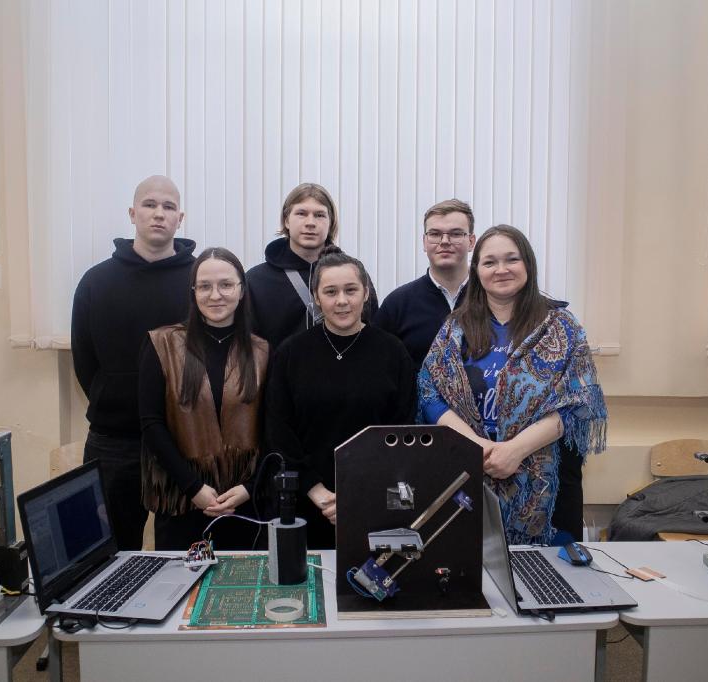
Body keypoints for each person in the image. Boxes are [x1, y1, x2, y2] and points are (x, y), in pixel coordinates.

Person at [417, 225, 606, 546]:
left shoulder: (562, 326)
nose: (501, 269)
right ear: (477, 270)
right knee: (471, 567)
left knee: (543, 573)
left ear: (527, 265)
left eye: (511, 259)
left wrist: (515, 450)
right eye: (489, 262)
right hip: (468, 473)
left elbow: (579, 400)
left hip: (548, 485)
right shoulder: (455, 328)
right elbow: (429, 393)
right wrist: (479, 447)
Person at [71, 175, 195, 550]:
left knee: (184, 557)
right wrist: (114, 396)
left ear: (180, 218)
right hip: (114, 441)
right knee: (108, 554)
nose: (159, 214)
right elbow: (85, 361)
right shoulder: (96, 282)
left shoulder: (200, 282)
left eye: (168, 207)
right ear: (132, 213)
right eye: (149, 204)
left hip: (183, 442)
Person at [265, 246, 415, 549]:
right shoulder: (291, 353)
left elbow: (402, 432)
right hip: (307, 503)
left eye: (351, 290)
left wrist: (360, 495)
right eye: (331, 292)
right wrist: (318, 492)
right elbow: (279, 431)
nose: (342, 300)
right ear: (317, 298)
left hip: (375, 499)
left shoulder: (393, 352)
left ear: (366, 293)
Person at [138, 248, 268, 551]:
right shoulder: (162, 343)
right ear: (193, 292)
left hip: (242, 504)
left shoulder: (262, 351)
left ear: (241, 291)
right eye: (205, 286)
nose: (215, 295)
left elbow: (272, 428)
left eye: (226, 285)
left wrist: (250, 488)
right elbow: (151, 424)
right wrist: (193, 487)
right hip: (182, 500)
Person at [246, 183, 377, 350]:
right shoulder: (256, 281)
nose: (310, 223)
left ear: (331, 222)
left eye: (319, 215)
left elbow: (372, 332)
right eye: (301, 213)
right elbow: (250, 344)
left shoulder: (354, 275)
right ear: (286, 220)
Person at [373, 199, 475, 370]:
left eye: (456, 234)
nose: (444, 241)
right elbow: (377, 367)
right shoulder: (397, 304)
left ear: (471, 242)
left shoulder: (492, 298)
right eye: (435, 234)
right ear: (424, 242)